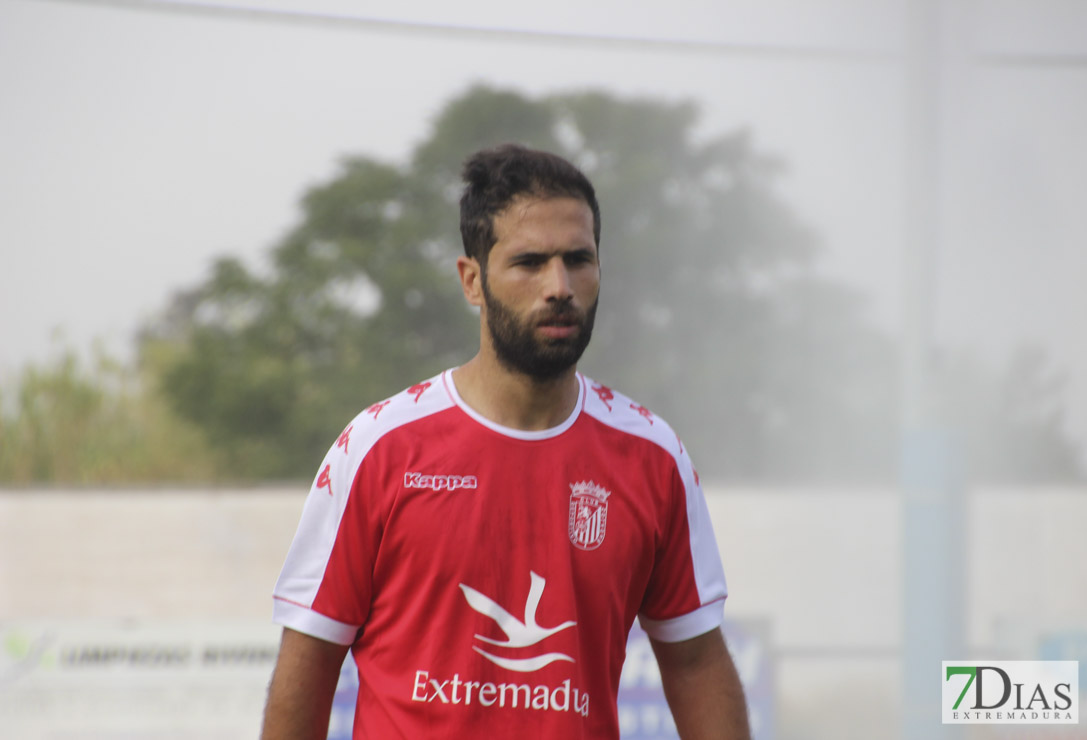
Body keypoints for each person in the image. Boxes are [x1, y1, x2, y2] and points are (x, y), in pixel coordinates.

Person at [261, 144, 751, 739]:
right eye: (529, 263)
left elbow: (696, 662)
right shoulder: (379, 448)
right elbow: (308, 660)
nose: (559, 286)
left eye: (579, 259)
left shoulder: (653, 456)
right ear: (472, 281)